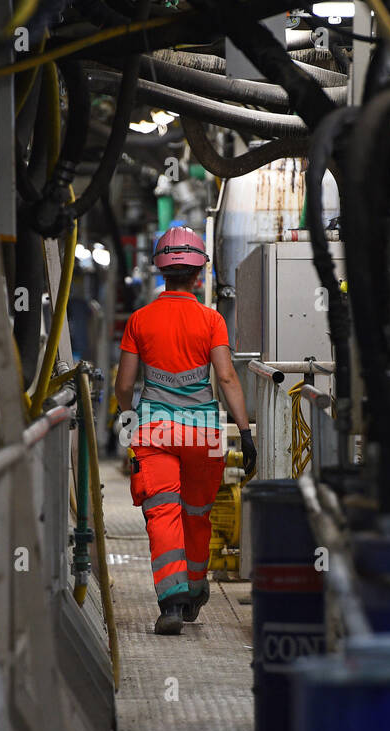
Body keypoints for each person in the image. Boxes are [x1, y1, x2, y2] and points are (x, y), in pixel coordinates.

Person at [115, 226, 257, 635]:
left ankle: (173, 602)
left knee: (163, 513)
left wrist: (132, 415)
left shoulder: (140, 320)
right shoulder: (211, 320)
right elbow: (228, 378)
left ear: (160, 270)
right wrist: (244, 432)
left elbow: (125, 386)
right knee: (197, 514)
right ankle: (196, 590)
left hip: (155, 433)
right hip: (204, 435)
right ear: (198, 275)